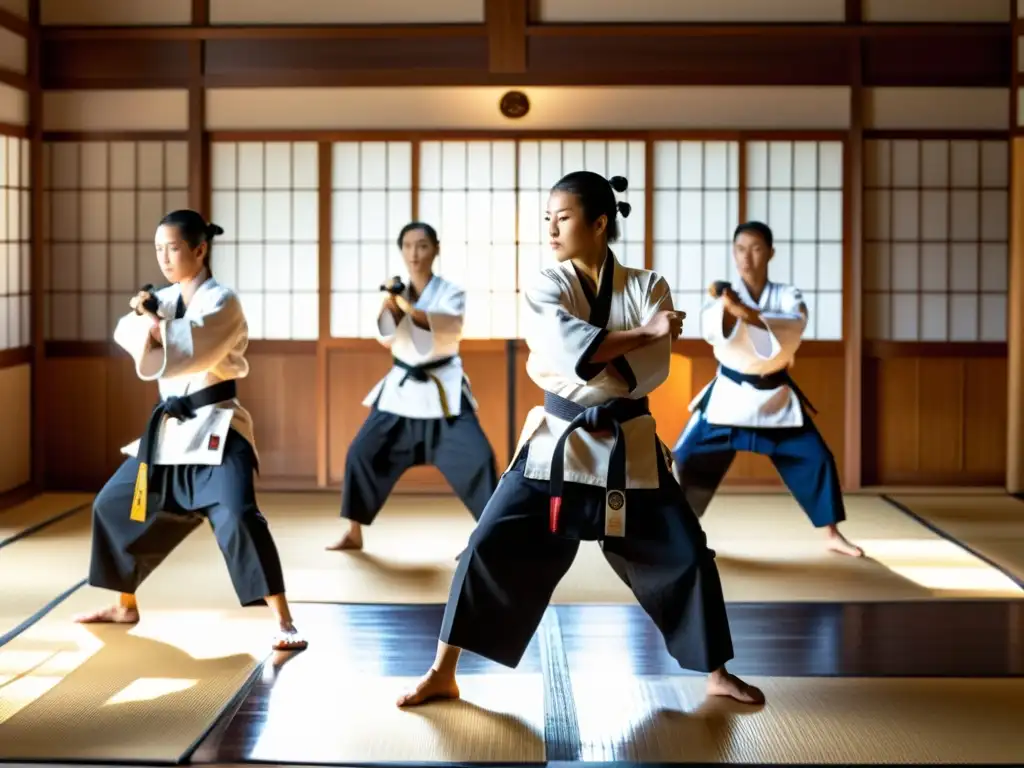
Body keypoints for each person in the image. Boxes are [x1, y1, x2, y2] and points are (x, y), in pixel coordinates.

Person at [396, 172, 764, 709]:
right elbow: (567, 348)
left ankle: (716, 671)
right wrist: (641, 333)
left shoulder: (648, 285)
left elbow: (646, 373)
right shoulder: (548, 284)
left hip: (630, 445)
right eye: (547, 217)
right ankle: (442, 670)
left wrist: (603, 351)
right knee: (485, 545)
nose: (550, 228)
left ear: (598, 222)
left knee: (686, 552)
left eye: (562, 217)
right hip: (556, 444)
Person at [73, 209, 308, 652]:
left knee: (239, 515)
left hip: (217, 425)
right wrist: (152, 321)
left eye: (174, 248)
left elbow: (193, 347)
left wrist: (155, 324)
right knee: (114, 505)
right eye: (158, 248)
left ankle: (284, 619)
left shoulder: (223, 300)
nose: (164, 257)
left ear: (199, 250)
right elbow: (128, 331)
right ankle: (125, 604)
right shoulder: (162, 299)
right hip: (168, 433)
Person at [670, 221, 863, 558]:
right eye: (741, 249)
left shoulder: (787, 295)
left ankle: (832, 533)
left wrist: (744, 312)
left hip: (775, 398)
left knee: (817, 458)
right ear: (733, 253)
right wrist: (732, 310)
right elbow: (714, 329)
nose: (748, 257)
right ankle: (680, 533)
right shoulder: (723, 299)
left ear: (770, 253)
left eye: (756, 248)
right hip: (729, 396)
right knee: (684, 458)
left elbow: (793, 325)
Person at [327, 222, 499, 551]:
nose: (414, 253)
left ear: (435, 249)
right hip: (401, 392)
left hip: (442, 391)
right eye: (407, 246)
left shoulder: (450, 292)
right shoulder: (397, 293)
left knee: (479, 459)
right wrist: (389, 307)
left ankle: (489, 535)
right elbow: (386, 336)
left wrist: (403, 304)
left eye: (421, 245)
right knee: (361, 453)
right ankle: (353, 531)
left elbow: (439, 326)